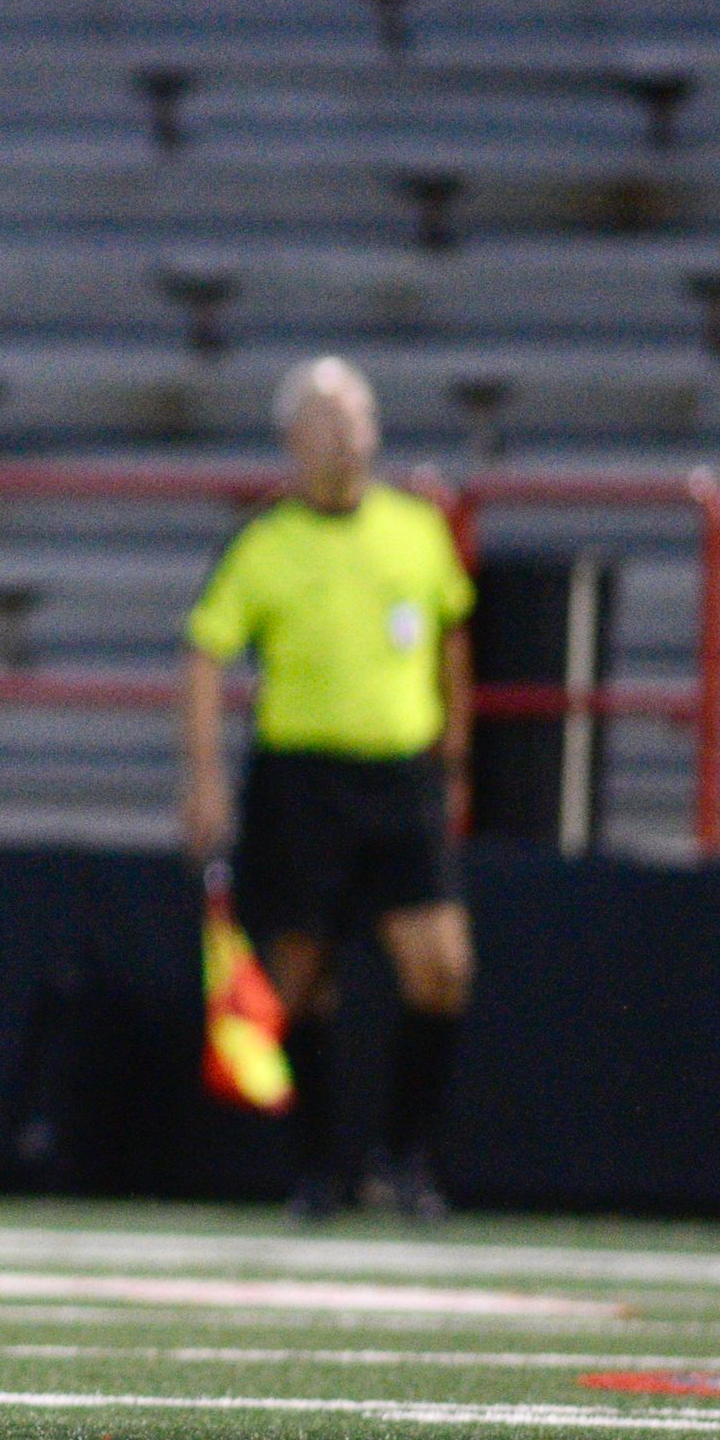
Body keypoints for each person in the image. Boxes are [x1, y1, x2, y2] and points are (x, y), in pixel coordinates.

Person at [181, 355, 478, 1221]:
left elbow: (452, 636)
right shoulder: (266, 542)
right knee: (301, 974)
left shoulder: (417, 528)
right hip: (301, 779)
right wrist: (204, 779)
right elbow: (205, 651)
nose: (347, 434)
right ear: (292, 441)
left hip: (399, 775)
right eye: (326, 419)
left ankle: (403, 1156)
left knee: (442, 968)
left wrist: (454, 748)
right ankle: (317, 1170)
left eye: (357, 416)